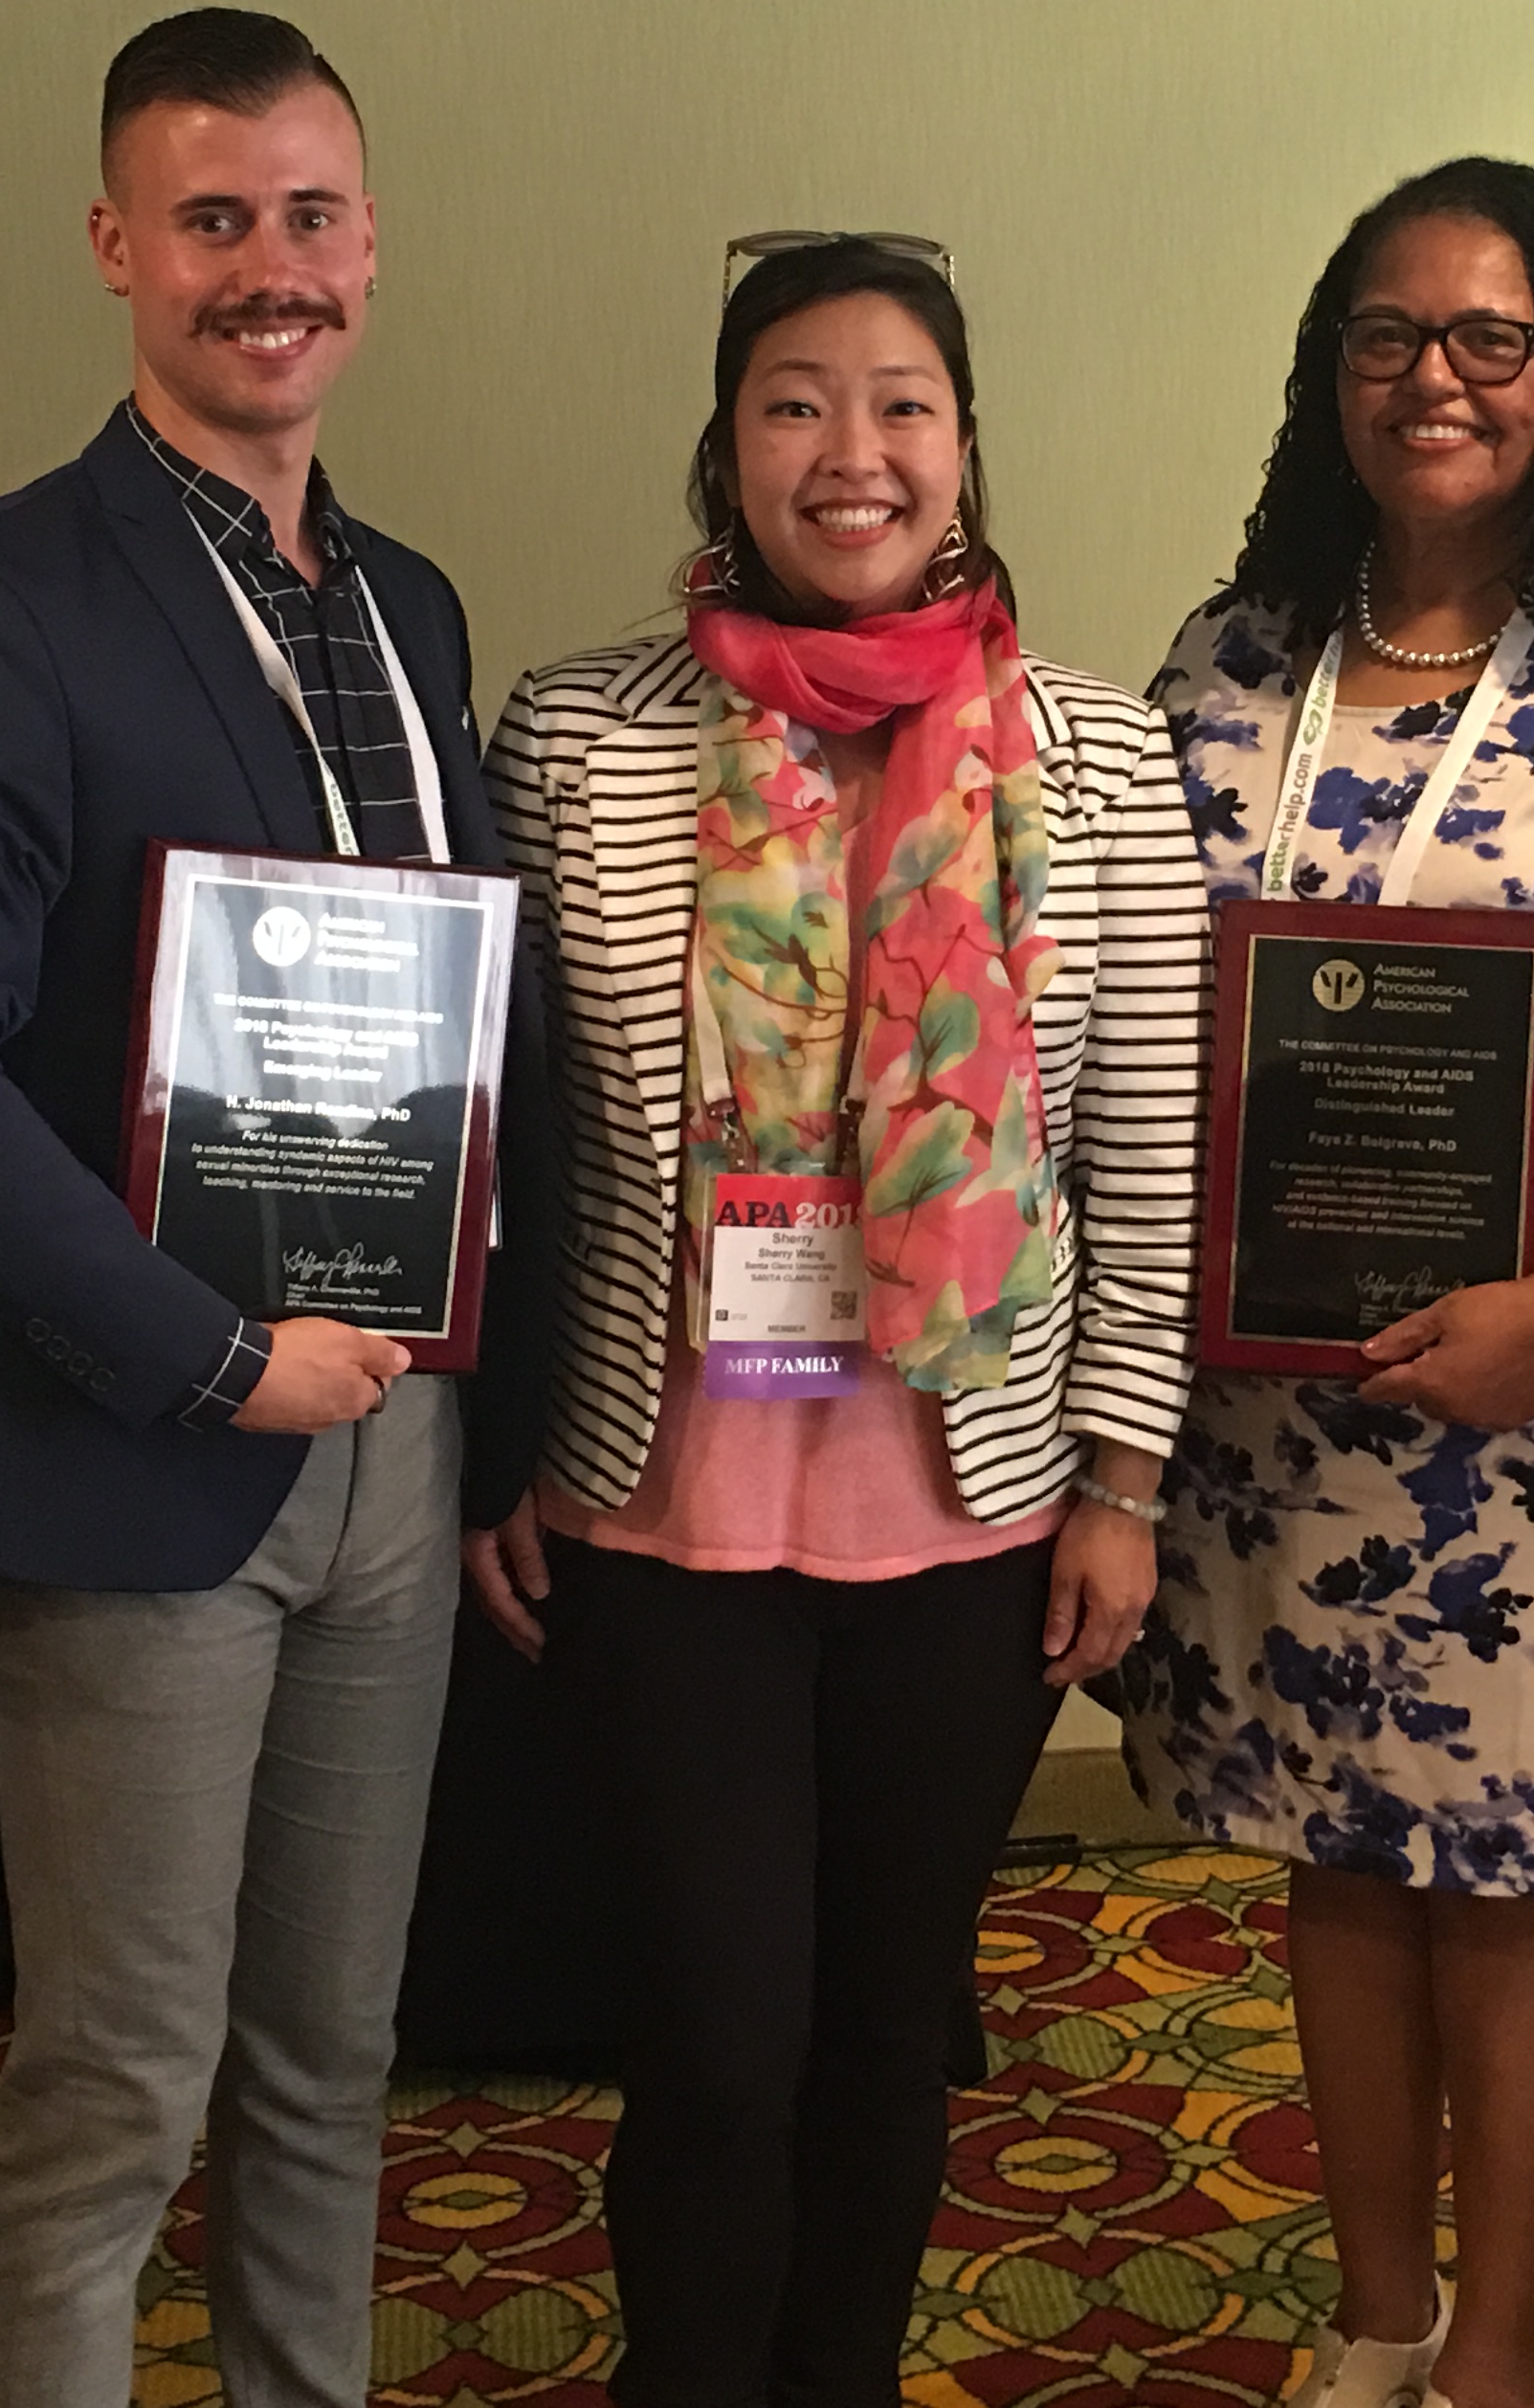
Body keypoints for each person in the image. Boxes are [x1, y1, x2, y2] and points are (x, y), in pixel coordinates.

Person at [0, 9, 532, 2408]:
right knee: (122, 2079)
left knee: (335, 2060)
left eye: (311, 216)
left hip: (391, 1444)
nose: (270, 268)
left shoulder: (410, 613)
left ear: (371, 246)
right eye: (212, 220)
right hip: (147, 1454)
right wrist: (217, 1352)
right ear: (118, 246)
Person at [461, 231, 1208, 2408]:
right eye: (796, 401)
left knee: (893, 2027)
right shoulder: (582, 734)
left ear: (965, 452)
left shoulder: (1101, 757)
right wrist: (495, 1439)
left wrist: (1128, 1484)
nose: (851, 451)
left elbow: (1144, 1155)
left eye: (902, 402)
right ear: (727, 445)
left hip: (971, 1513)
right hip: (660, 1508)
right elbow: (513, 1135)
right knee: (713, 2033)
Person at [1119, 157, 1534, 2408]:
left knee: (1520, 1879)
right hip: (1281, 1406)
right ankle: (1381, 2318)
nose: (1435, 380)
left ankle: (1499, 2345)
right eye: (1389, 337)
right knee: (1337, 1856)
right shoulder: (1229, 665)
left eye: (1491, 340)